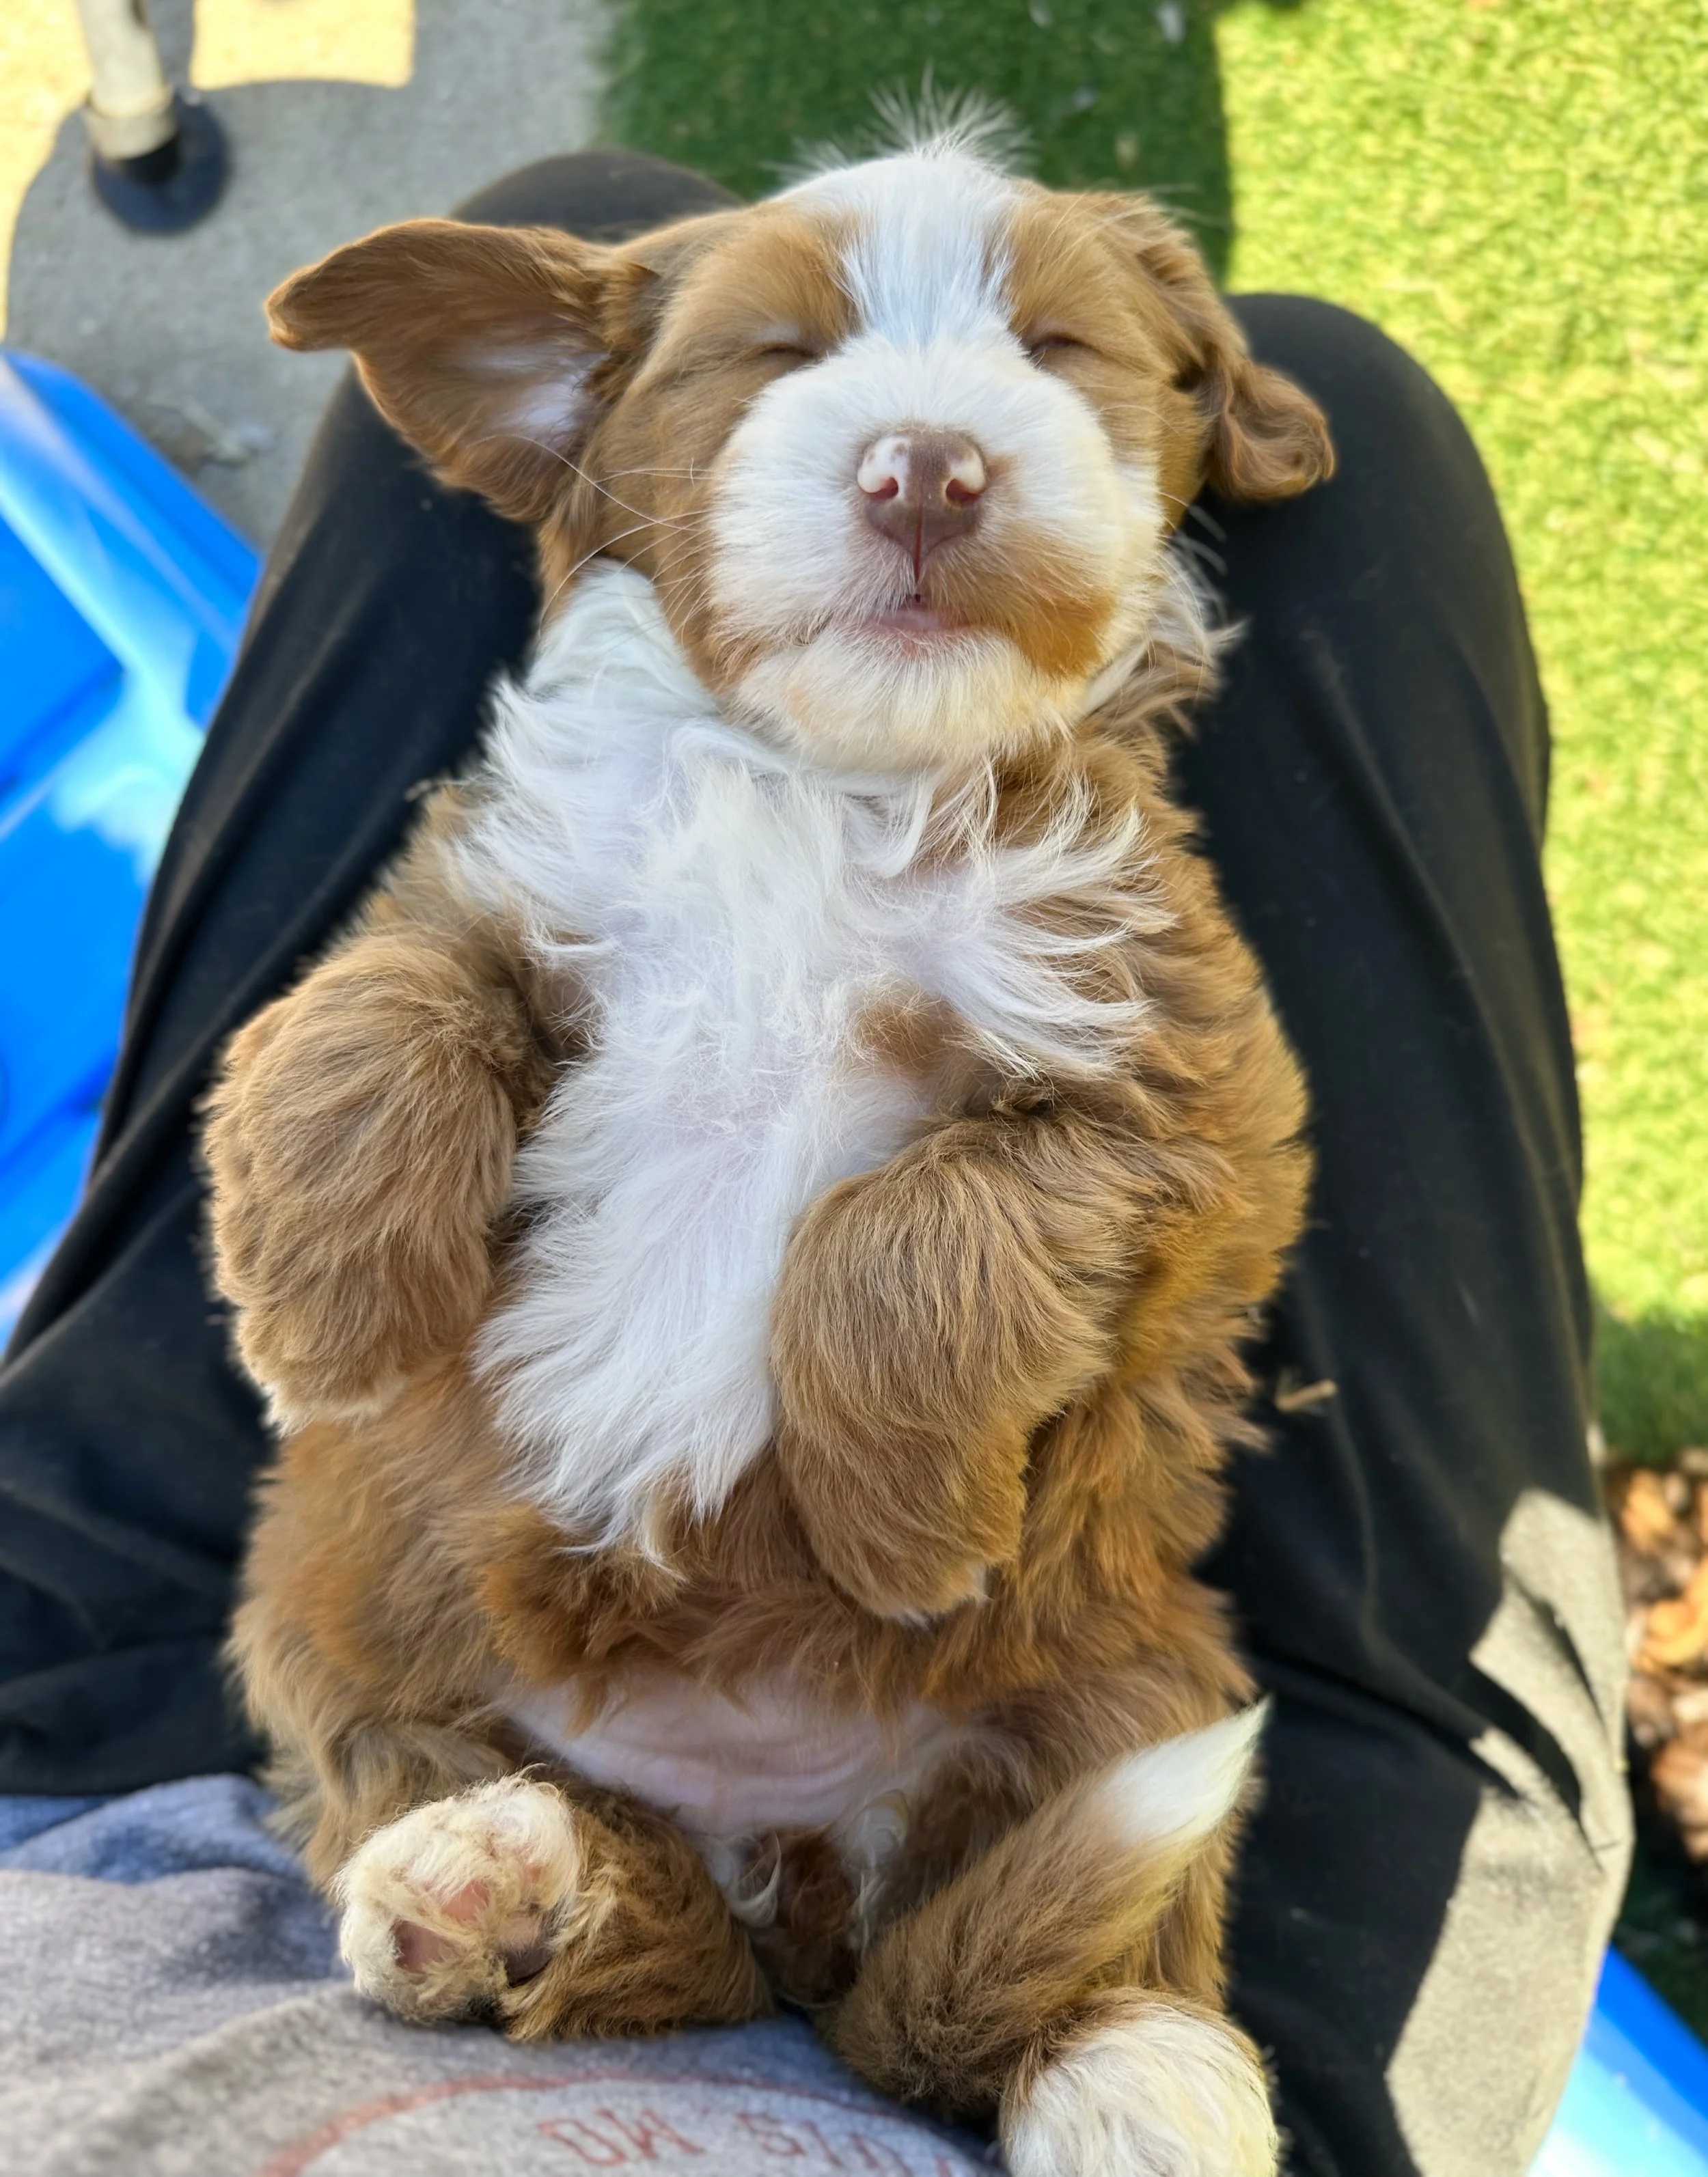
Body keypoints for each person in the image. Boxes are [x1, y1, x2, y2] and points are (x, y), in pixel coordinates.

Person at [0, 152, 1629, 2177]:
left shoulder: (1077, 879)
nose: (924, 452)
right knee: (1360, 426)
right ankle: (720, 1944)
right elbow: (451, 981)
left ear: (1199, 417)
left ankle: (1035, 2002)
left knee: (596, 195)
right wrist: (362, 1127)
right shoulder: (581, 806)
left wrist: (902, 1331)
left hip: (103, 1802)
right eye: (776, 356)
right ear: (562, 430)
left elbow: (1180, 1133)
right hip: (472, 1669)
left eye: (1049, 347)